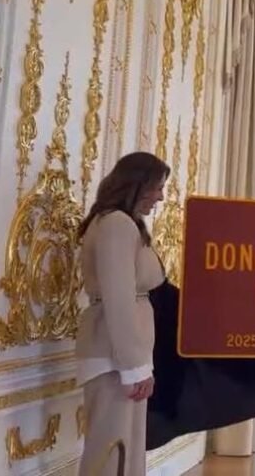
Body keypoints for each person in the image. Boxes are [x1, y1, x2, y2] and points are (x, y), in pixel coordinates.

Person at [76, 152, 169, 475]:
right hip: (114, 358)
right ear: (137, 184)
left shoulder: (122, 223)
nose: (160, 196)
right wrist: (134, 367)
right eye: (157, 187)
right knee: (112, 453)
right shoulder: (116, 224)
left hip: (122, 357)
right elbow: (118, 299)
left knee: (124, 454)